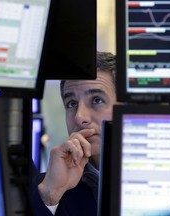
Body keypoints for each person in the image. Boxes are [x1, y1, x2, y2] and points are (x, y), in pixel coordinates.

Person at [31, 51, 117, 215]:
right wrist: (51, 194)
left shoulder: (163, 180)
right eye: (71, 103)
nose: (79, 117)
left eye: (97, 100)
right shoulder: (48, 186)